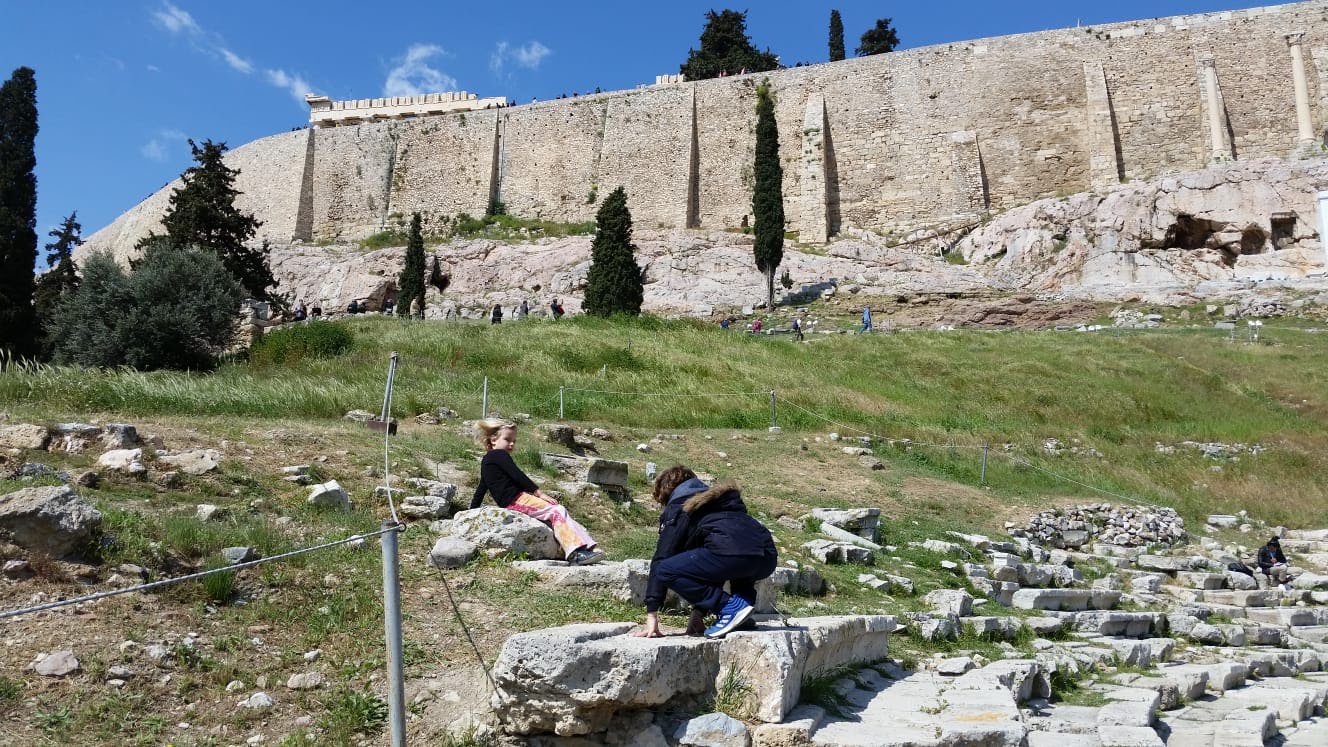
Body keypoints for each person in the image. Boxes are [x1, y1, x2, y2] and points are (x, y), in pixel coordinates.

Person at [634, 466, 777, 640]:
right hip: (766, 555)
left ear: (666, 492)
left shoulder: (680, 506)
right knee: (736, 561)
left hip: (732, 553)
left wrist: (652, 614)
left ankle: (730, 608)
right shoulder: (719, 502)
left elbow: (662, 558)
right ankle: (742, 614)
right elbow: (712, 567)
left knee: (665, 569)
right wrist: (698, 614)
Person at [469, 419, 604, 566]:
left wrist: (471, 512)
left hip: (514, 501)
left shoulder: (487, 460)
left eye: (514, 440)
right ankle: (576, 553)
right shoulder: (499, 455)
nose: (512, 444)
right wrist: (539, 493)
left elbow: (482, 487)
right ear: (493, 440)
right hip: (516, 501)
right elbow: (517, 475)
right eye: (507, 439)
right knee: (557, 511)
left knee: (557, 512)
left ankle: (583, 547)